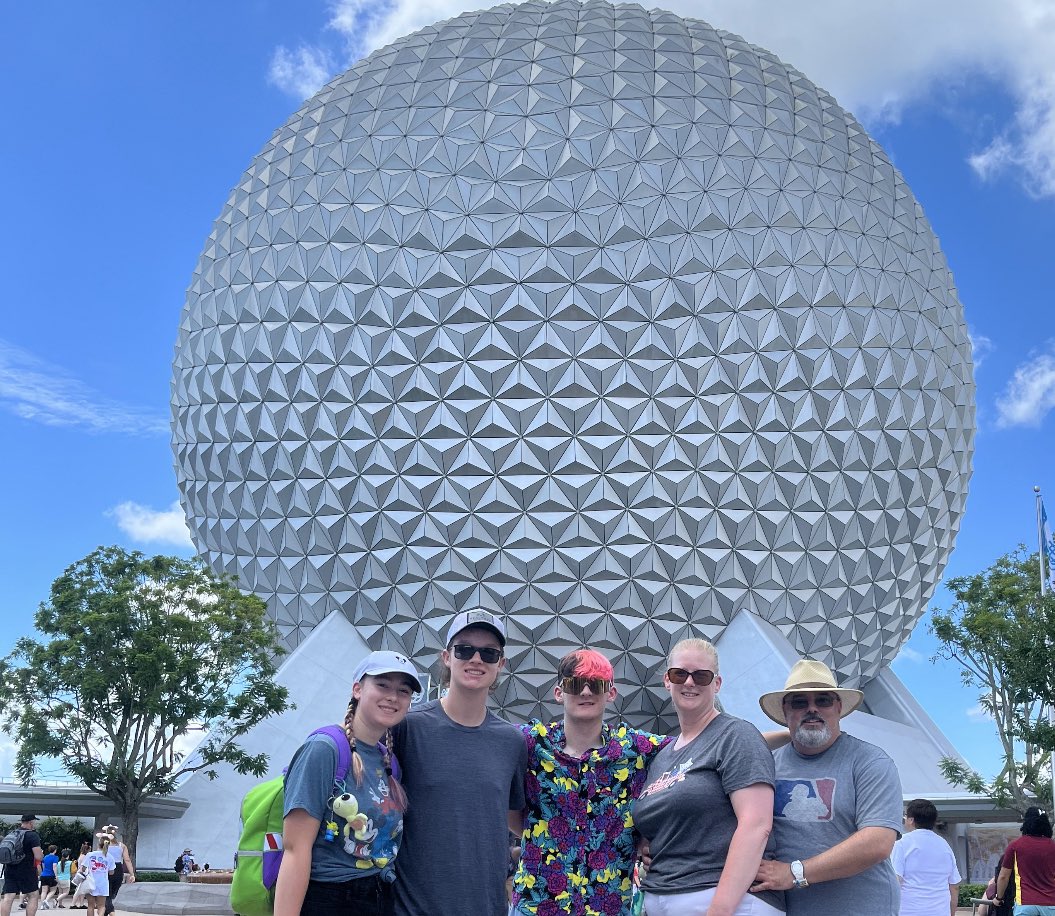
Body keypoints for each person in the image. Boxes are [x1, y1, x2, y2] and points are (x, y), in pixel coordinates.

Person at [510, 648, 670, 916]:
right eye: (575, 683)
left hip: (608, 906)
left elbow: (700, 748)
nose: (585, 692)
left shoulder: (635, 748)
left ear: (611, 693)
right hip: (537, 904)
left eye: (595, 684)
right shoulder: (531, 743)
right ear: (559, 692)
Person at [631, 638, 783, 916]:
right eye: (680, 674)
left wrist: (720, 909)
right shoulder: (663, 756)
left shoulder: (735, 735)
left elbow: (756, 824)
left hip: (723, 900)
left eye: (702, 675)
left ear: (717, 684)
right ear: (667, 680)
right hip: (663, 897)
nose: (690, 682)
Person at [393, 608, 528, 916]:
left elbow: (518, 820)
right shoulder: (408, 727)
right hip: (412, 908)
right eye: (465, 649)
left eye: (489, 653)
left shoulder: (511, 742)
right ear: (447, 657)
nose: (476, 659)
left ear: (501, 665)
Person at [274, 649, 423, 916]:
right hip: (330, 897)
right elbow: (296, 849)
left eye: (403, 690)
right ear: (357, 689)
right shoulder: (324, 749)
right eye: (382, 684)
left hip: (381, 894)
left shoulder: (388, 761)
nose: (393, 696)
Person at [751, 659, 903, 916]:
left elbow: (878, 841)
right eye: (800, 703)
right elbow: (718, 751)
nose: (812, 709)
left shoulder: (870, 762)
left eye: (823, 701)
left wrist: (794, 873)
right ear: (785, 711)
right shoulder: (768, 765)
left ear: (839, 707)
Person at [891, 798, 960, 916]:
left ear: (911, 820)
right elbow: (954, 886)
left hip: (908, 911)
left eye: (905, 815)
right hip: (940, 912)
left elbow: (895, 882)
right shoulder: (944, 845)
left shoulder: (902, 844)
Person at [993, 806, 1055, 914]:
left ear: (1026, 822)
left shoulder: (1015, 846)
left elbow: (1003, 876)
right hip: (1050, 905)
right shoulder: (1052, 846)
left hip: (1025, 904)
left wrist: (999, 898)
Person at [0, 814, 44, 916]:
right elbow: (38, 857)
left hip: (10, 868)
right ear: (31, 822)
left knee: (8, 897)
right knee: (33, 895)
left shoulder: (11, 834)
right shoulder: (32, 835)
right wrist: (41, 854)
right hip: (27, 870)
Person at [96, 826, 133, 915]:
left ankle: (110, 911)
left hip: (105, 868)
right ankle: (109, 911)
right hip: (118, 868)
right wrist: (132, 874)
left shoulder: (103, 845)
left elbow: (98, 858)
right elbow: (127, 860)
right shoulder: (121, 846)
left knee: (106, 893)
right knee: (112, 893)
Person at [79, 835, 113, 916]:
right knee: (101, 906)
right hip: (102, 883)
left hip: (90, 882)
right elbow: (111, 872)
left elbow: (83, 868)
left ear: (98, 844)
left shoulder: (90, 855)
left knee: (90, 906)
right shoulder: (110, 857)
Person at [69, 842, 91, 910]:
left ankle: (81, 904)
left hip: (80, 873)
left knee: (81, 890)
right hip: (83, 874)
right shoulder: (85, 857)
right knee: (79, 890)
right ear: (88, 849)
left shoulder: (81, 855)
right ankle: (73, 904)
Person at [38, 846, 59, 910]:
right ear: (55, 850)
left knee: (44, 891)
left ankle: (42, 905)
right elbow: (54, 866)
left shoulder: (45, 857)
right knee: (53, 890)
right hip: (51, 875)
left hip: (44, 875)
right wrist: (56, 875)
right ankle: (46, 900)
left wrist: (44, 872)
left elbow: (43, 866)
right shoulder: (55, 857)